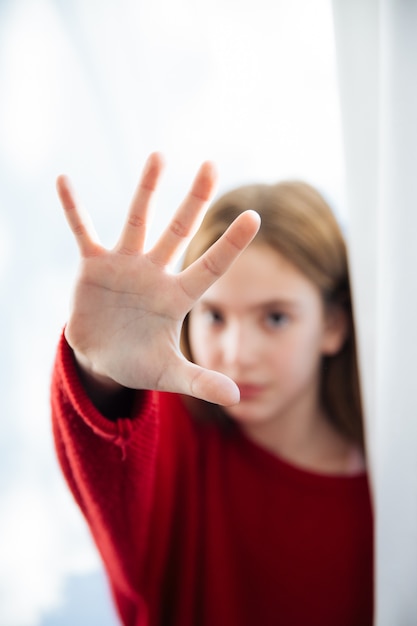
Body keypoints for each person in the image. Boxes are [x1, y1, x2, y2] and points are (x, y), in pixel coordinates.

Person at [51, 152, 373, 626]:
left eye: (276, 318)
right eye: (214, 315)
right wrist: (103, 377)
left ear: (333, 324)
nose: (237, 354)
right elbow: (114, 469)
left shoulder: (393, 485)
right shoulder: (172, 439)